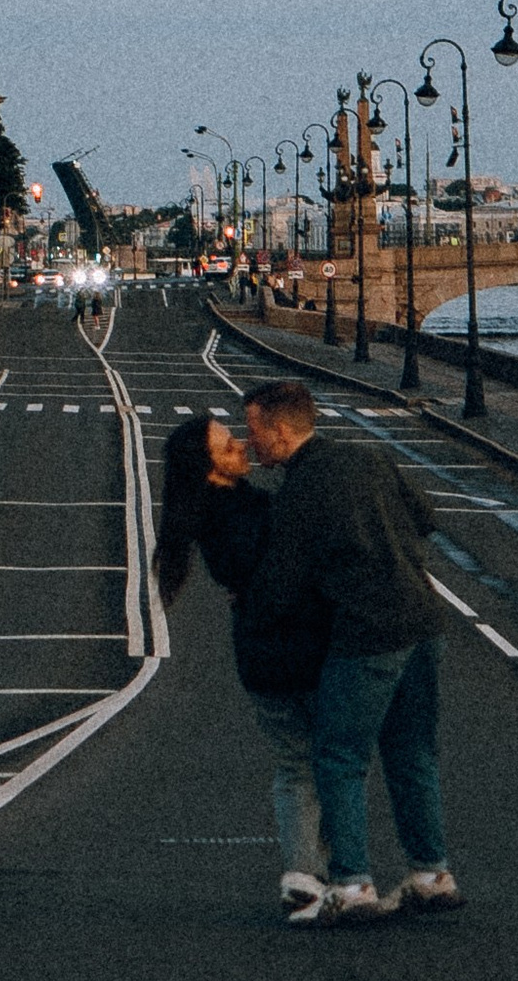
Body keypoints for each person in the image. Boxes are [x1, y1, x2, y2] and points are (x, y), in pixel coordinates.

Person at [240, 380, 459, 921]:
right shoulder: (369, 458)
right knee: (412, 753)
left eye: (254, 431)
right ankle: (431, 874)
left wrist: (252, 617)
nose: (250, 444)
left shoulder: (300, 489)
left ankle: (353, 884)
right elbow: (426, 518)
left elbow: (284, 581)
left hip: (365, 632)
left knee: (338, 756)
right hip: (422, 620)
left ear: (282, 430)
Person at [154, 414, 331, 921]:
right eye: (227, 444)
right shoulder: (238, 513)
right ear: (208, 466)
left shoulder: (210, 515)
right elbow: (282, 569)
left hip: (257, 653)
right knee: (320, 761)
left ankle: (313, 873)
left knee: (299, 761)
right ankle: (315, 873)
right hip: (292, 646)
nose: (240, 446)